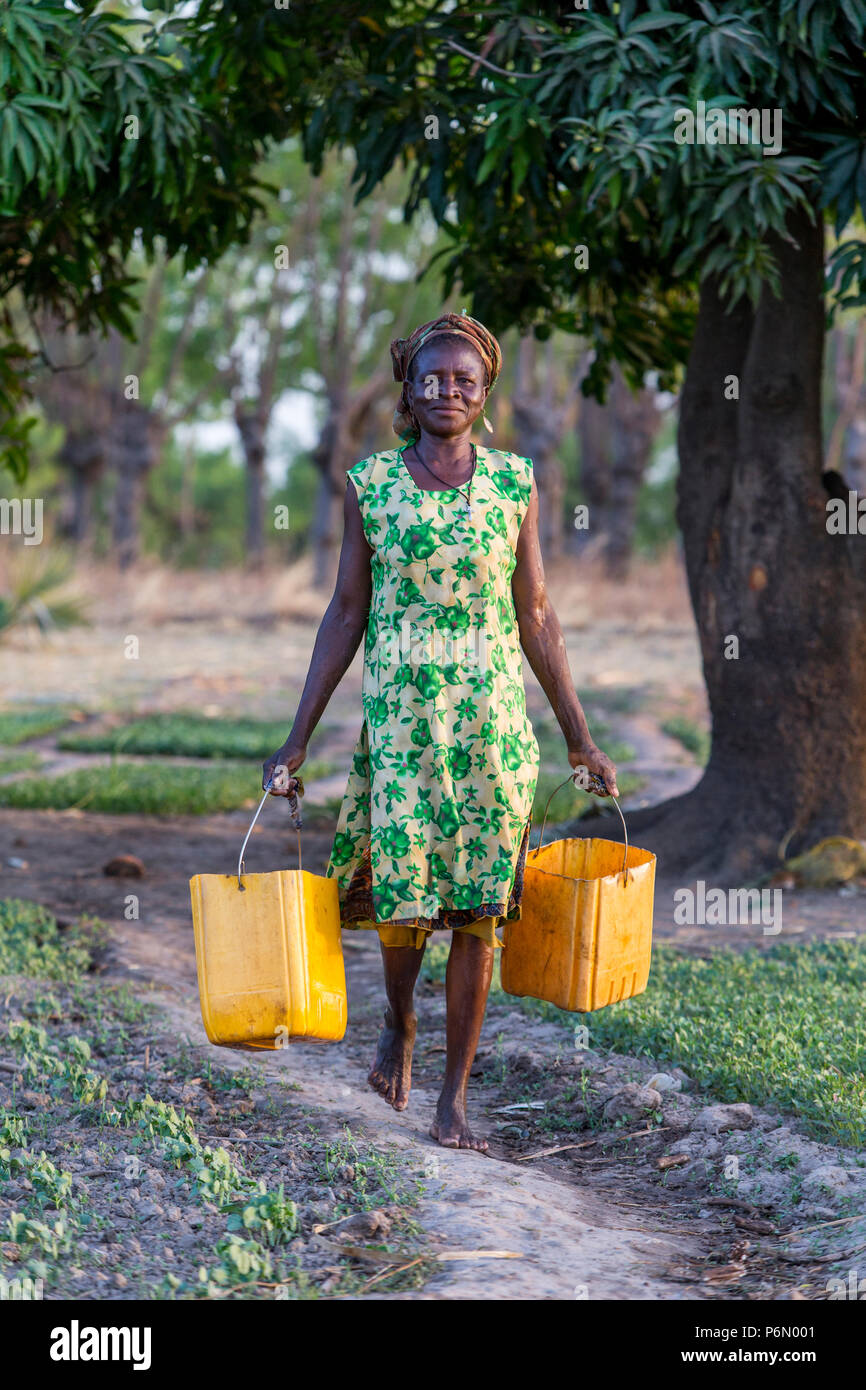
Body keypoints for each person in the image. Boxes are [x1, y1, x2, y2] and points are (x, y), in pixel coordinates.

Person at [263, 311, 617, 1150]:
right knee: (404, 899)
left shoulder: (514, 485)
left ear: (484, 392)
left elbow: (535, 613)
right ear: (408, 389)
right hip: (401, 725)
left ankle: (453, 1097)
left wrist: (580, 736)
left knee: (480, 912)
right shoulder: (371, 484)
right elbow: (346, 611)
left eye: (463, 379)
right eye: (432, 377)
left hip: (492, 730)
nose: (446, 390)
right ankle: (398, 1024)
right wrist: (296, 738)